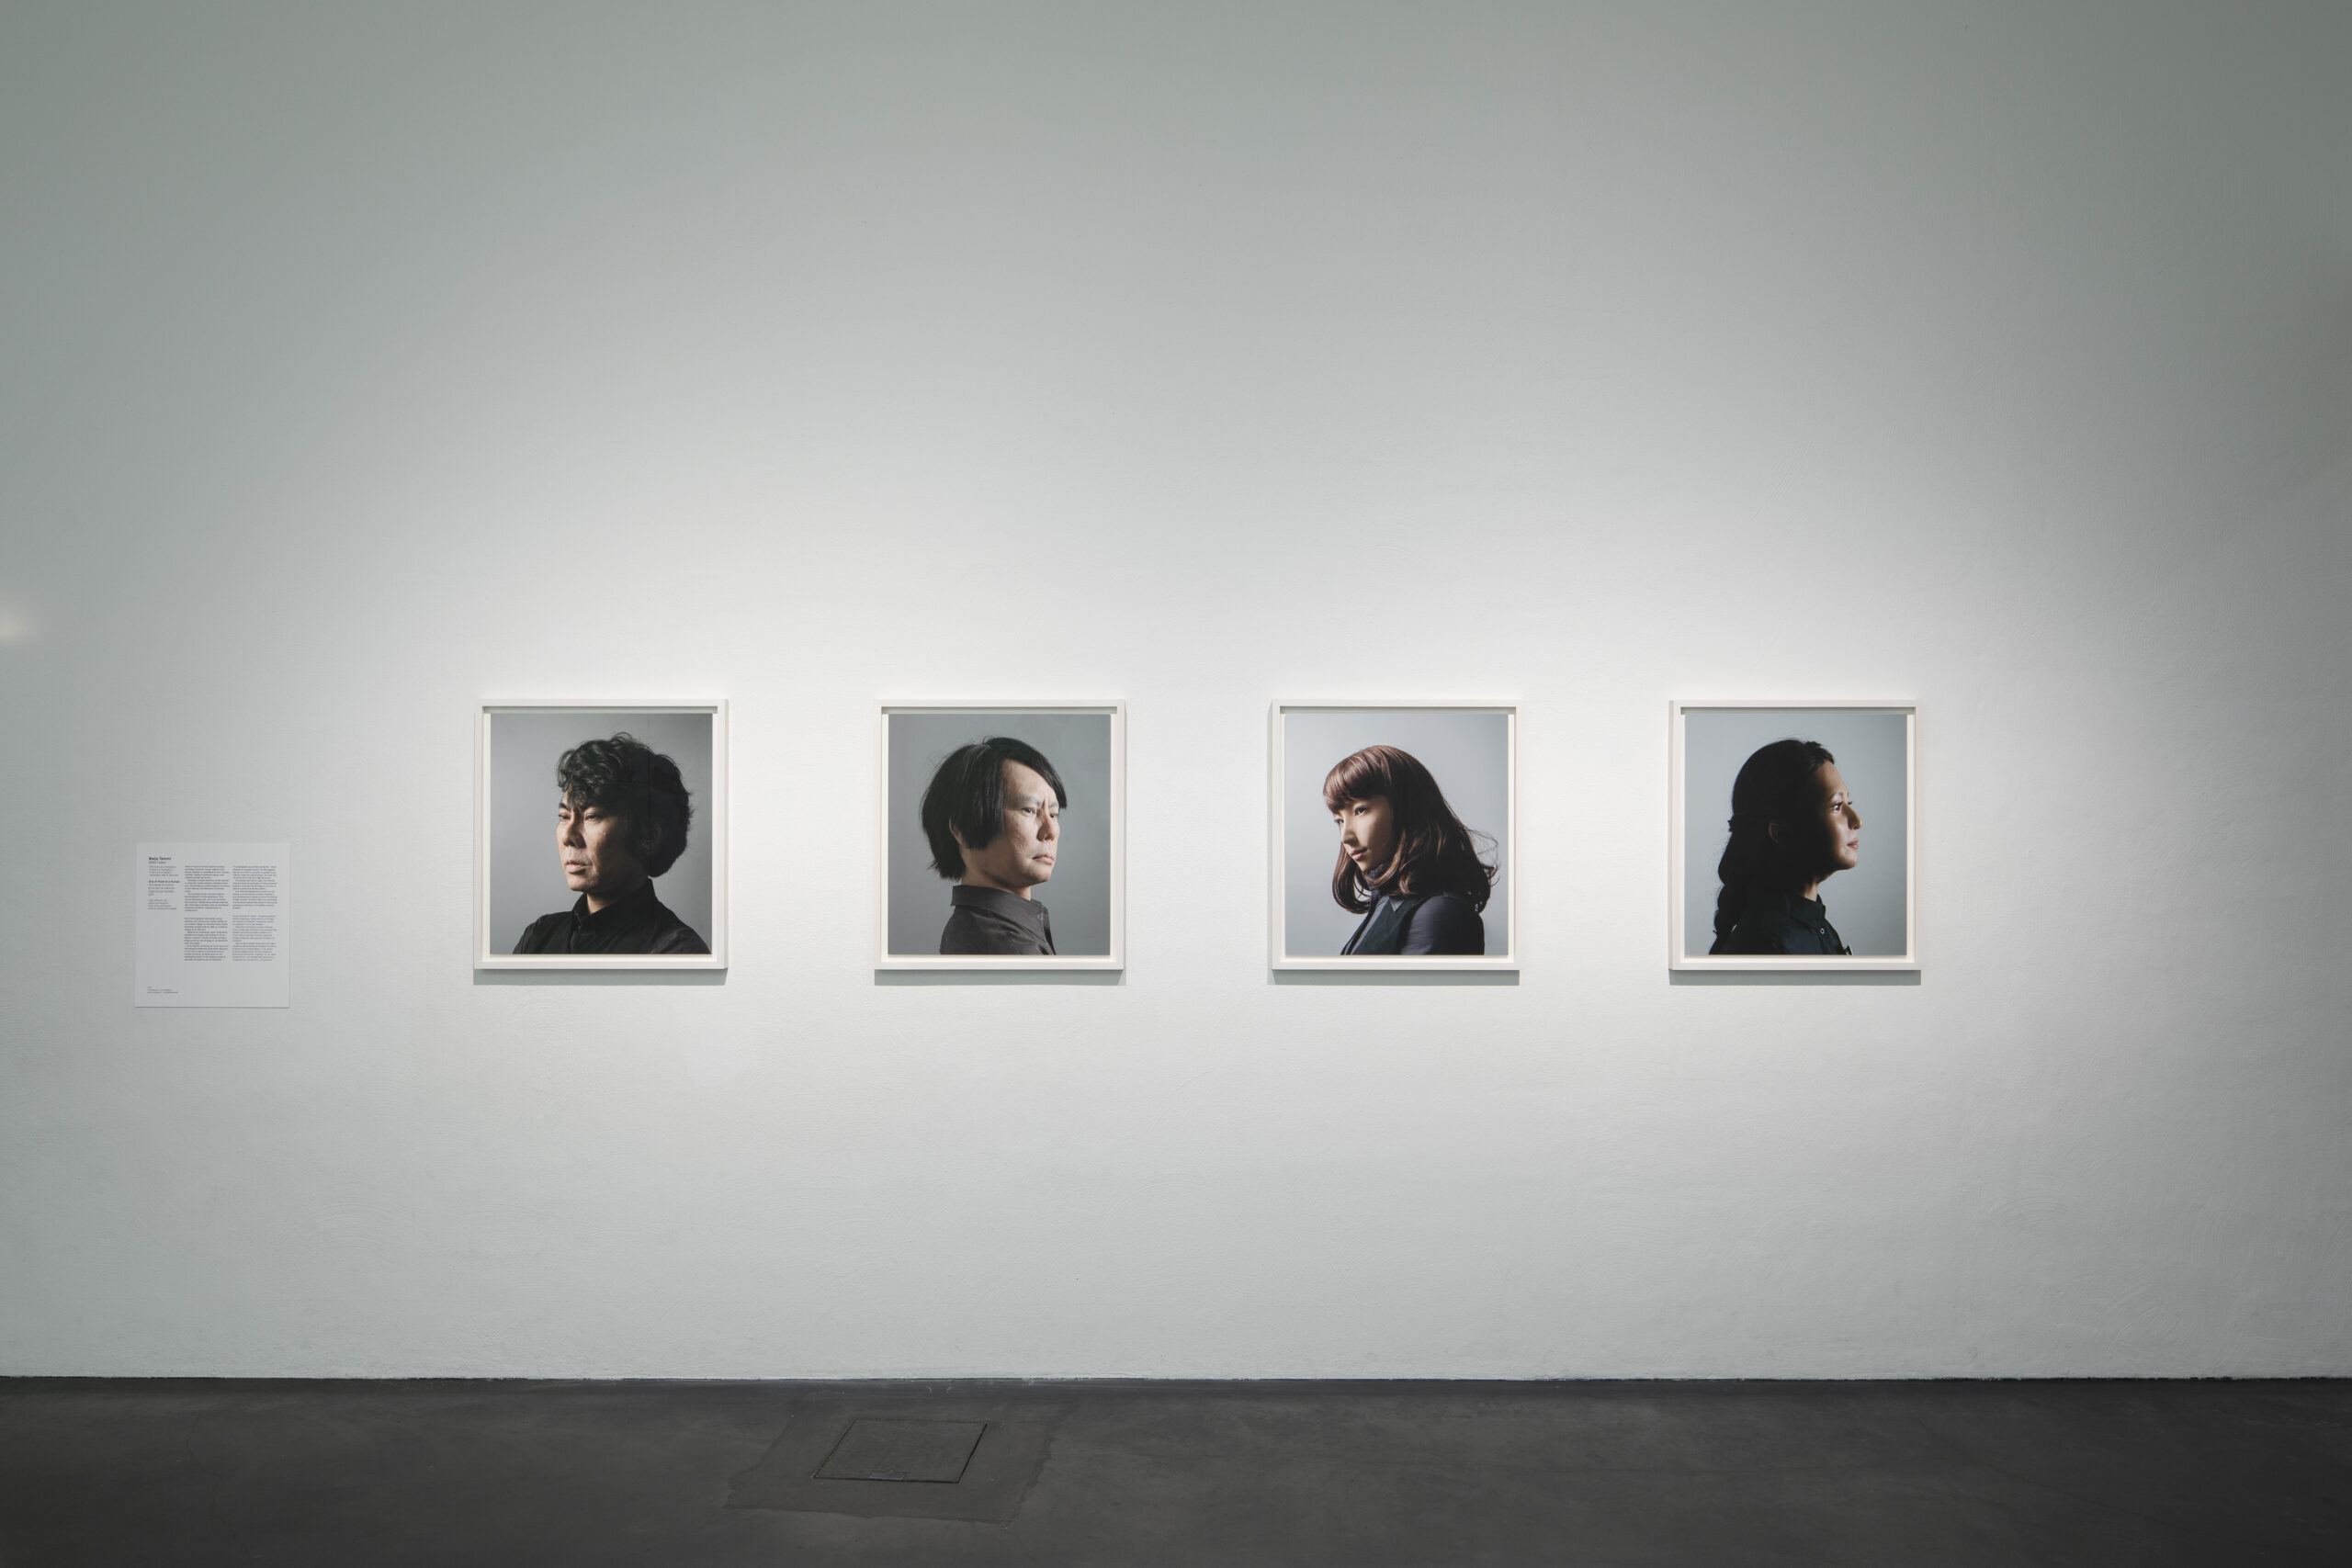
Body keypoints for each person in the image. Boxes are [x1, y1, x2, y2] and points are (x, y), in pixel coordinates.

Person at [513, 733, 709, 955]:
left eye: (591, 816)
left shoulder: (676, 951)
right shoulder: (539, 936)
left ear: (648, 834)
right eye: (564, 816)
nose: (567, 835)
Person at [1323, 745, 1497, 956]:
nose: (1346, 837)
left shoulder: (1439, 913)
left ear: (1406, 808)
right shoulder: (1388, 902)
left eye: (1360, 810)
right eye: (1339, 821)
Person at [1708, 738, 1860, 956]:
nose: (1857, 821)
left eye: (1849, 803)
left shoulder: (1817, 928)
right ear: (1779, 832)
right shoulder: (1763, 945)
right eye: (1836, 806)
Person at [921, 737, 1066, 956]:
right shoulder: (1006, 948)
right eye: (1029, 810)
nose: (1051, 831)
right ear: (962, 828)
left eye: (1053, 814)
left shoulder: (977, 929)